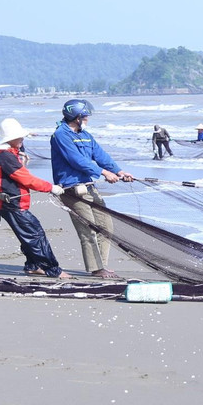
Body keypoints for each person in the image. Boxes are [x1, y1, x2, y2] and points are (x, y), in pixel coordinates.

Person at [50, 99, 134, 279]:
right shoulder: (61, 135)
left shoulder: (85, 135)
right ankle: (96, 269)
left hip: (89, 187)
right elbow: (77, 160)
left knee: (106, 225)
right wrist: (103, 172)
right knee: (87, 229)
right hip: (72, 189)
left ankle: (101, 264)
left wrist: (118, 171)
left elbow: (100, 155)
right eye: (85, 116)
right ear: (76, 116)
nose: (87, 119)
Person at [0, 118, 70, 279]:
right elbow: (27, 179)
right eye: (20, 137)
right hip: (13, 204)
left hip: (4, 203)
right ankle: (53, 270)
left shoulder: (0, 154)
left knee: (27, 234)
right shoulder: (6, 158)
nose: (22, 140)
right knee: (34, 234)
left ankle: (33, 266)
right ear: (10, 139)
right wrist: (51, 188)